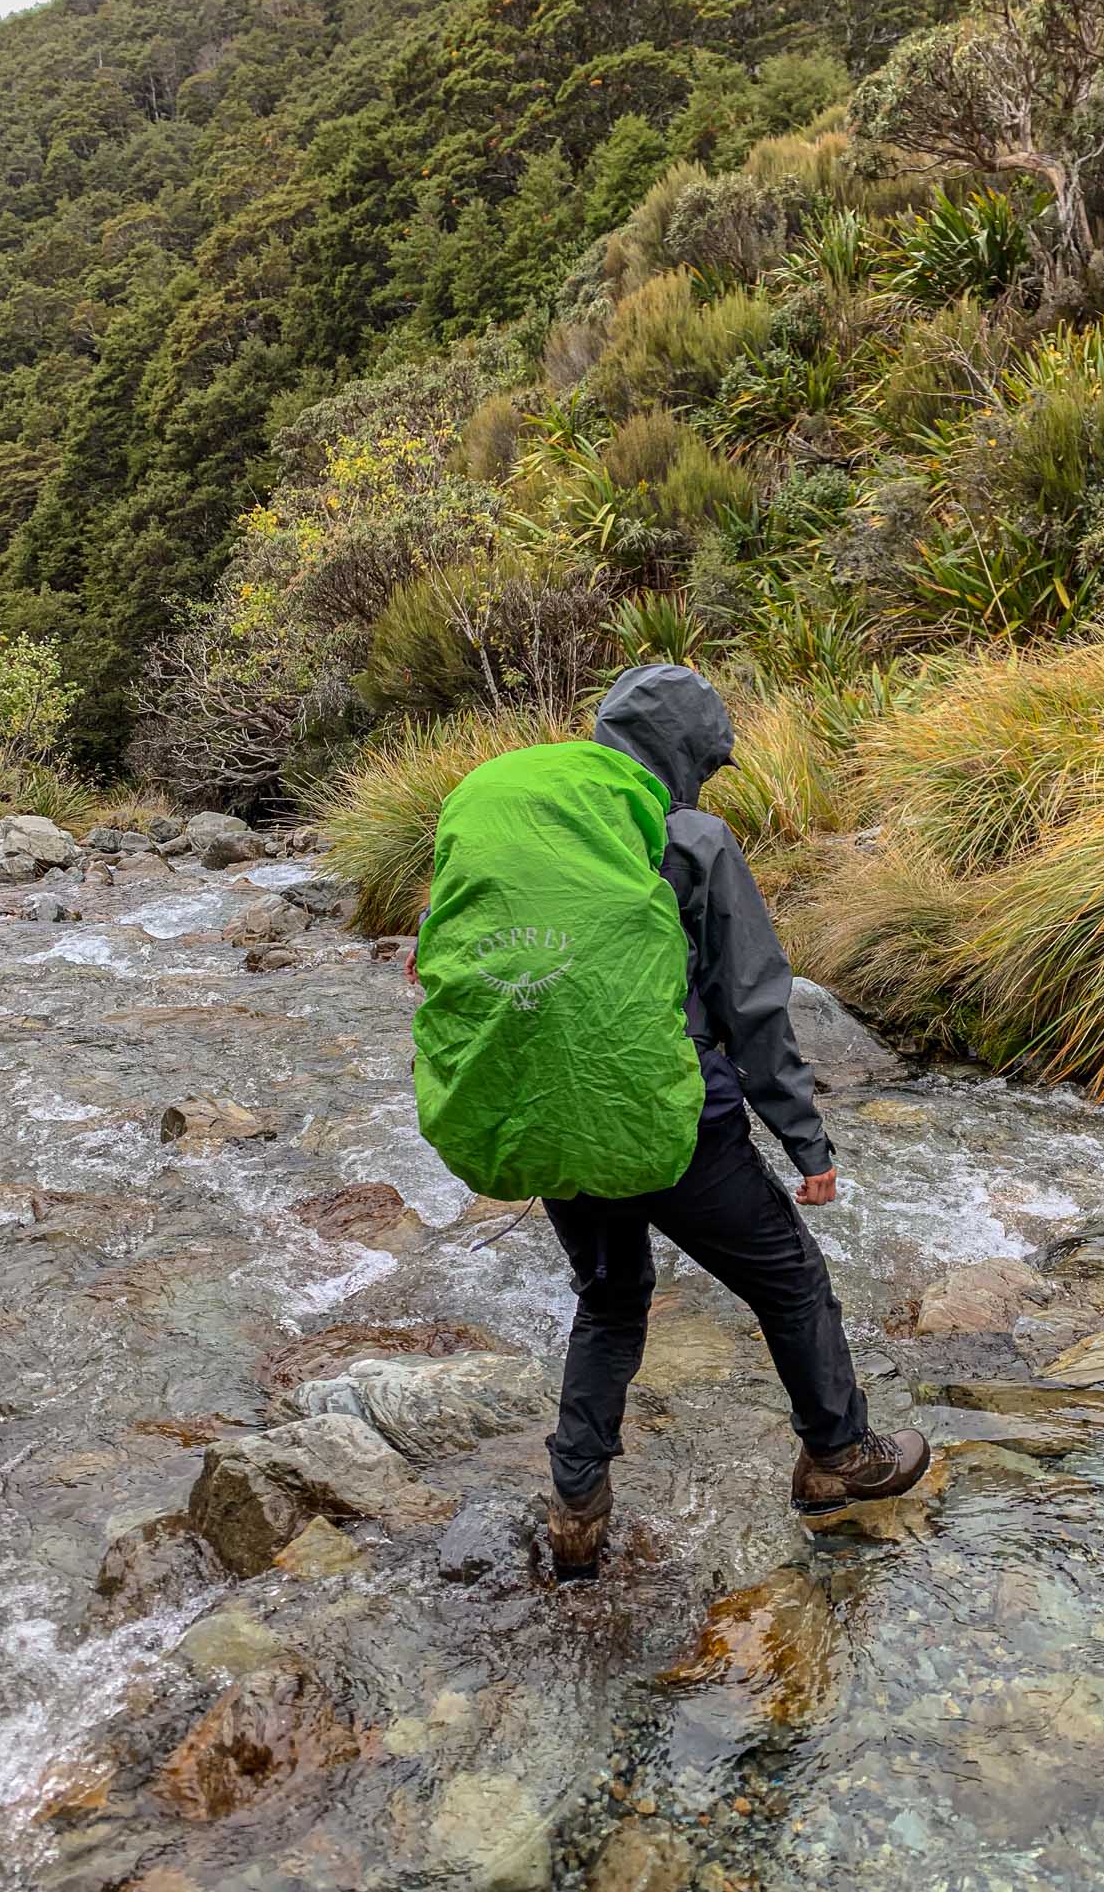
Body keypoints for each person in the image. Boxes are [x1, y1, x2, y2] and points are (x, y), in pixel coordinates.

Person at [414, 664, 929, 1579]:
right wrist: (804, 1139)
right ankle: (839, 1458)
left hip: (558, 1114)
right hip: (675, 1120)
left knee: (611, 1300)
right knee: (791, 1282)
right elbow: (752, 1003)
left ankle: (577, 1505)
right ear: (685, 751)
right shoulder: (688, 833)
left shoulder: (531, 827)